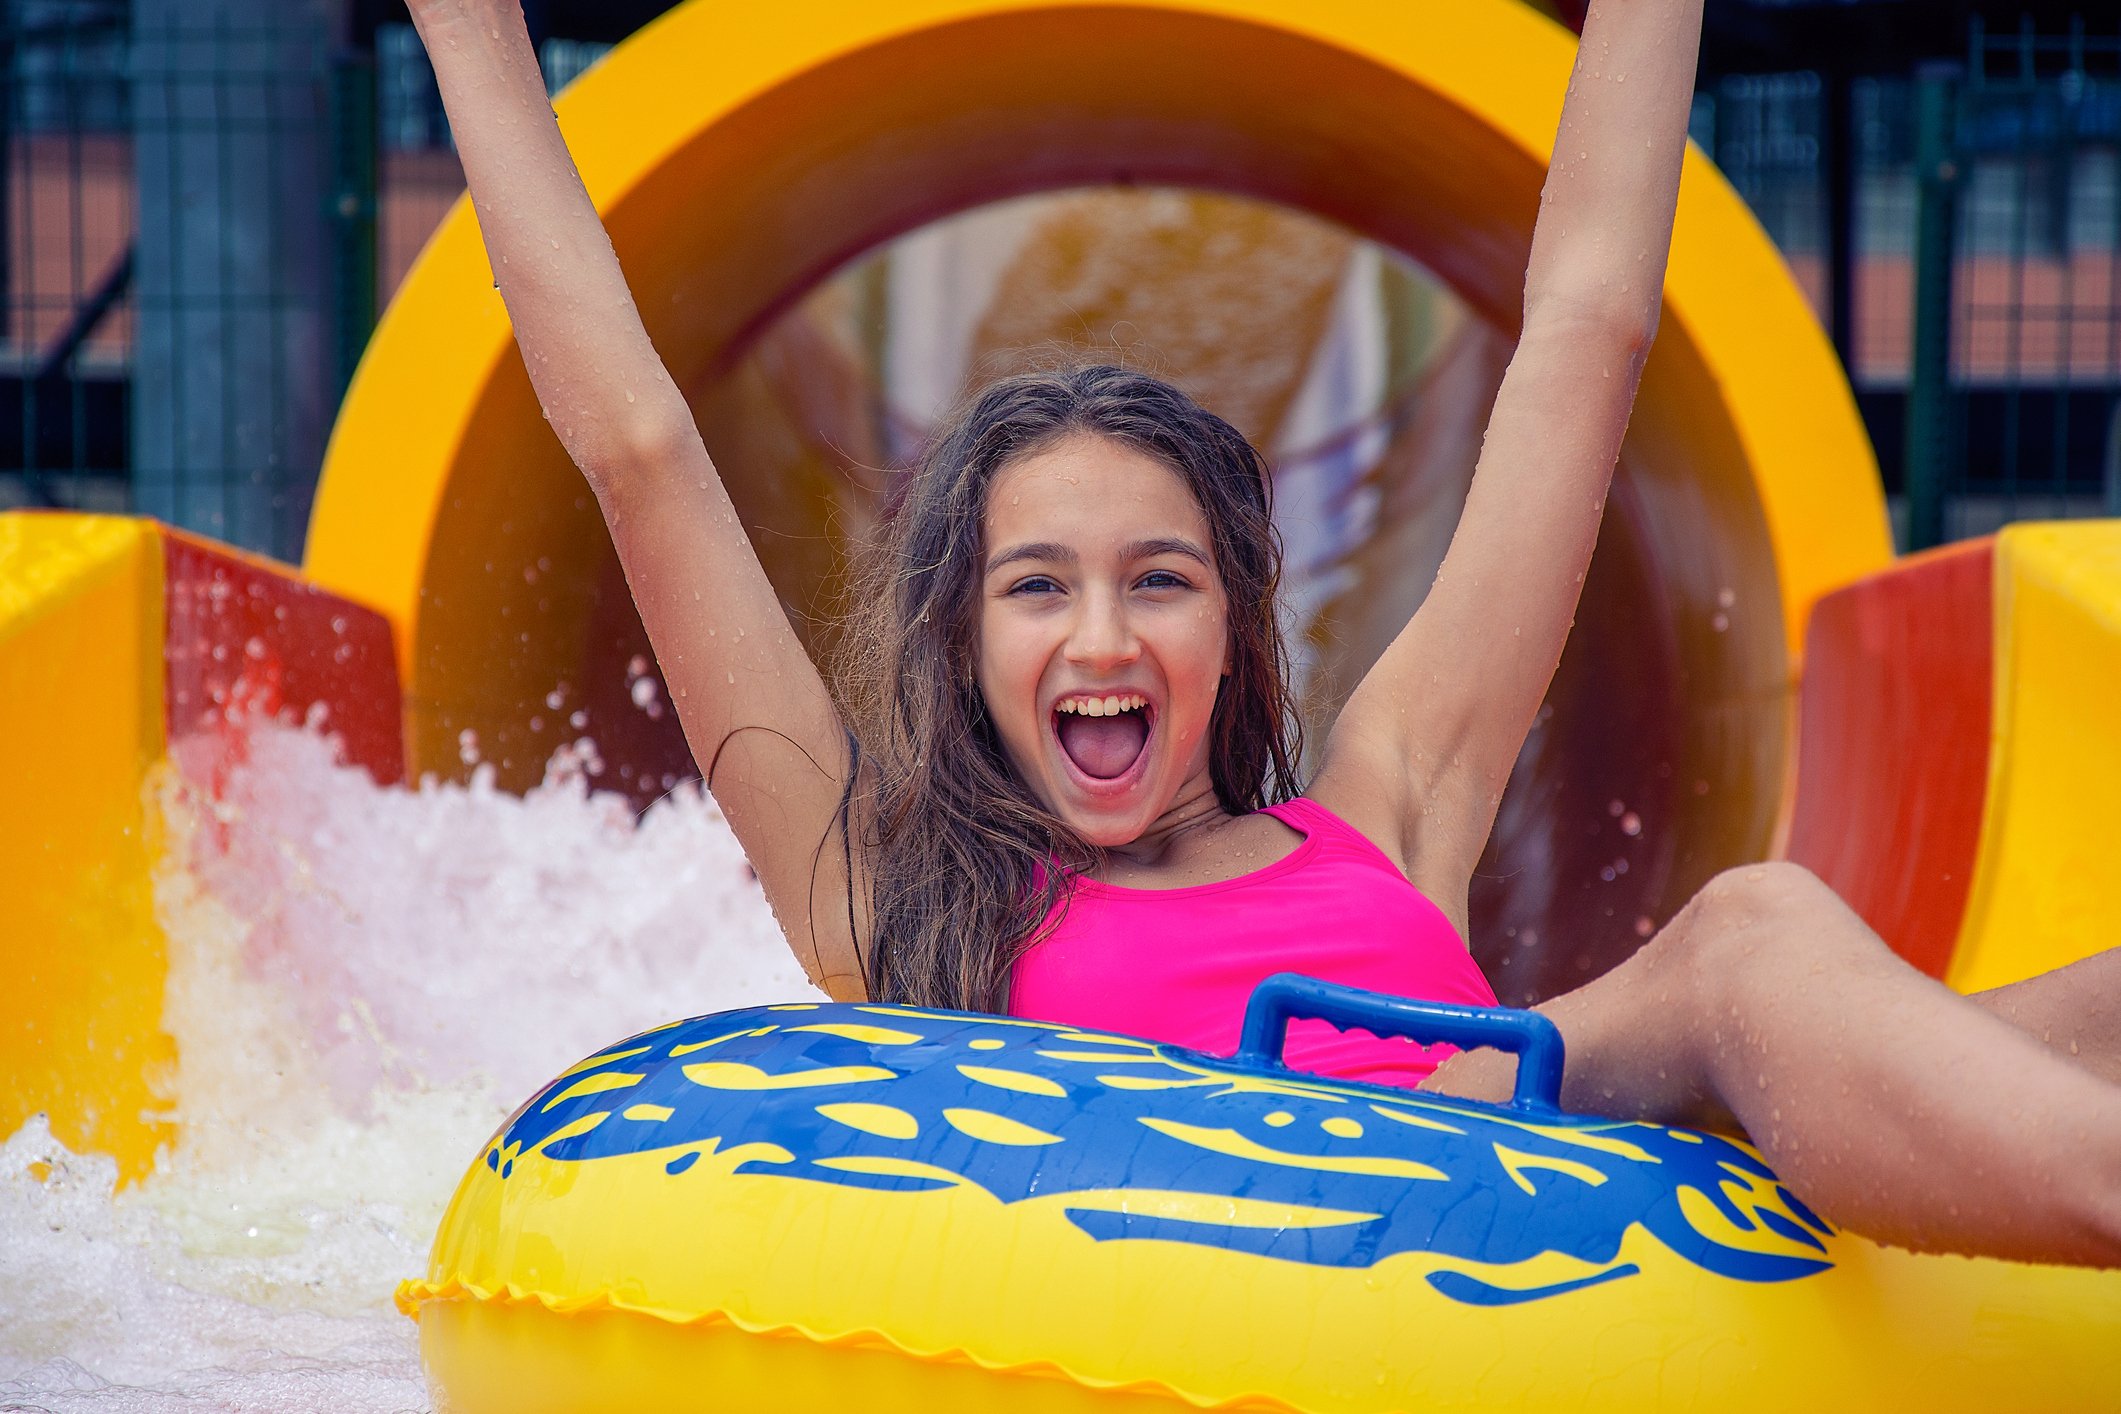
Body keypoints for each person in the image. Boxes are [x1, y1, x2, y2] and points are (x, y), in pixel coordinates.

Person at [406, 0, 2121, 1266]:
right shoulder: (901, 902)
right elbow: (641, 452)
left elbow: (1587, 326)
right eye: (1035, 585)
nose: (1102, 631)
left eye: (1159, 579)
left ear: (1233, 630)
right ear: (962, 644)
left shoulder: (1387, 803)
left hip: (1553, 1171)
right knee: (1748, 930)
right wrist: (471, 36)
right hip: (1300, 1266)